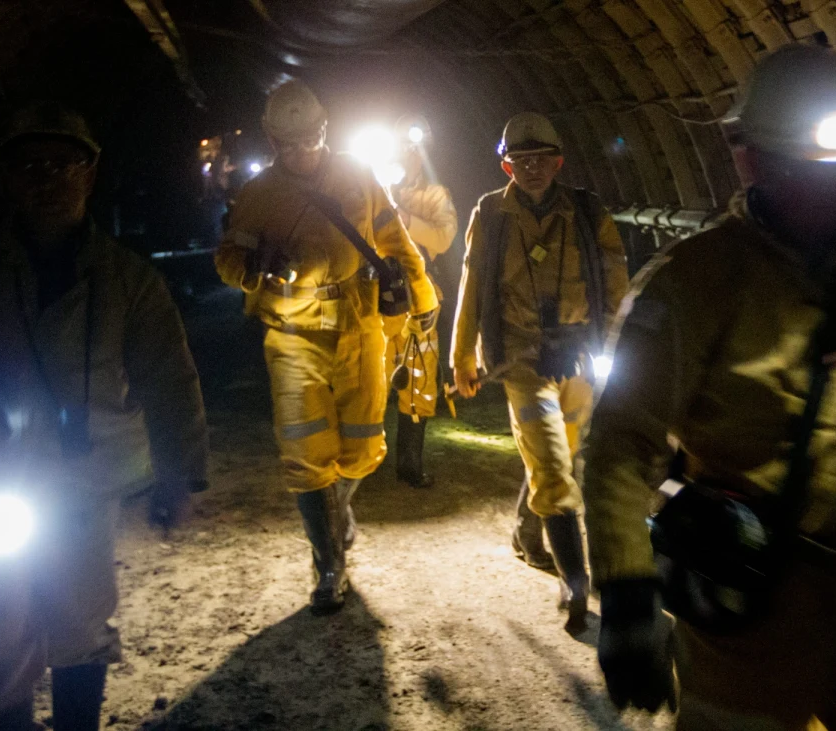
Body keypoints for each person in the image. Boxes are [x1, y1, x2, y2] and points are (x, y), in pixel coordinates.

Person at [583, 44, 836, 730]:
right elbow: (622, 443)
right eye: (800, 166)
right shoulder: (696, 279)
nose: (827, 188)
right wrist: (627, 592)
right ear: (752, 160)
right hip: (750, 601)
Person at [0, 102, 208, 731]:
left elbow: (167, 374)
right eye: (29, 166)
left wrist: (178, 475)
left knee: (79, 620)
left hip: (83, 478)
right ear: (6, 177)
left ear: (90, 172)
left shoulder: (127, 279)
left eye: (63, 164)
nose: (47, 180)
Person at [215, 80, 437, 614]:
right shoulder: (258, 195)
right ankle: (328, 563)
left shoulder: (358, 178)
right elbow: (227, 258)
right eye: (288, 144)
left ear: (324, 130)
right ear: (272, 140)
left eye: (308, 140)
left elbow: (394, 241)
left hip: (358, 326)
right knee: (304, 453)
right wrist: (251, 270)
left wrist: (422, 295)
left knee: (362, 449)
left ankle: (336, 511)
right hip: (292, 333)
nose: (300, 152)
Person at [451, 112, 628, 632]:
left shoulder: (588, 210)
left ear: (558, 162)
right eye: (519, 161)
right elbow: (472, 285)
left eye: (540, 160)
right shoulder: (490, 214)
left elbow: (616, 283)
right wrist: (462, 354)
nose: (531, 169)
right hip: (522, 358)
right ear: (506, 166)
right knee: (551, 461)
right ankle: (575, 580)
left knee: (565, 456)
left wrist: (621, 345)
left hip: (579, 353)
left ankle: (528, 535)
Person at [382, 114, 458, 488]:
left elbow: (443, 239)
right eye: (401, 147)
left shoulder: (436, 195)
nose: (406, 155)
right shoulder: (371, 189)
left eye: (413, 148)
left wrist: (405, 218)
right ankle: (357, 462)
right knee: (367, 375)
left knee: (418, 382)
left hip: (421, 301)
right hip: (377, 297)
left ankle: (409, 465)